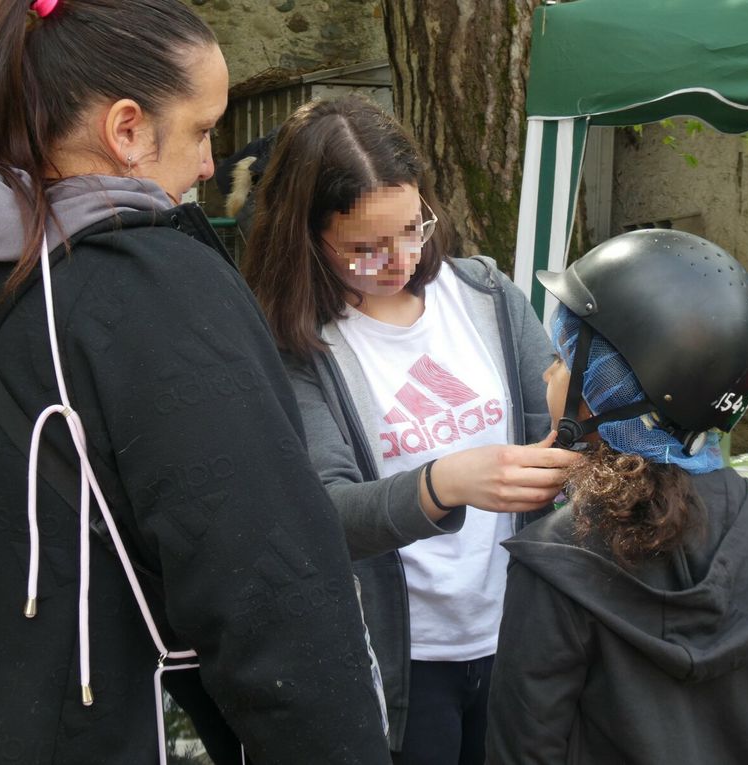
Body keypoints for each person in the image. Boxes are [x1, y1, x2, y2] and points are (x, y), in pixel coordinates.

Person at [0, 1, 392, 763]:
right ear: (127, 131)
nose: (211, 165)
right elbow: (272, 595)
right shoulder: (160, 294)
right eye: (204, 130)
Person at [241, 95, 581, 764]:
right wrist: (444, 483)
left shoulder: (483, 295)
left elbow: (552, 432)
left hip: (513, 632)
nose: (396, 260)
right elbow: (327, 512)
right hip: (402, 656)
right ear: (307, 238)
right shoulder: (300, 347)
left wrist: (582, 412)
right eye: (364, 249)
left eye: (411, 229)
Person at [485, 229, 748, 764]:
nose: (548, 372)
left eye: (560, 355)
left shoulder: (558, 557)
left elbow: (522, 750)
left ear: (606, 390)